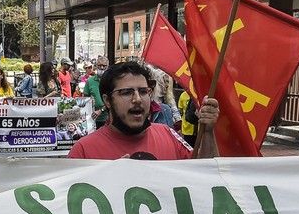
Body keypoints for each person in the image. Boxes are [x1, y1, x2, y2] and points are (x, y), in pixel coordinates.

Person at [69, 60, 219, 160]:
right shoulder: (82, 152)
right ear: (107, 100)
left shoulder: (169, 135)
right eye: (127, 92)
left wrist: (208, 132)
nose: (137, 99)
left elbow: (206, 176)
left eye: (143, 91)